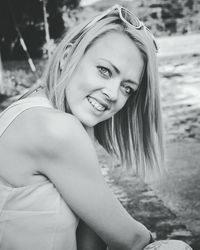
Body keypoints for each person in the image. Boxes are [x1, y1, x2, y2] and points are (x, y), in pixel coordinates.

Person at [0, 4, 193, 250]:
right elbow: (130, 241)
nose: (113, 94)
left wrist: (87, 132)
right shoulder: (56, 129)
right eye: (104, 71)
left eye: (127, 88)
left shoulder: (31, 106)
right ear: (68, 56)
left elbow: (89, 244)